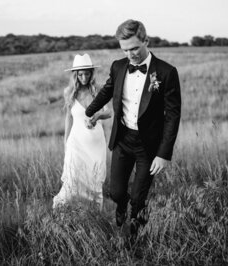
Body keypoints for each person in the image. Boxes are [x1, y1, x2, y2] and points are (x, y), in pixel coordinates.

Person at [85, 19, 181, 237]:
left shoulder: (166, 72)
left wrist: (164, 154)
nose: (131, 54)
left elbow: (173, 116)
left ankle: (135, 237)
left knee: (139, 198)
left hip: (149, 146)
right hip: (123, 139)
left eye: (135, 48)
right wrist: (89, 111)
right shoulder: (118, 67)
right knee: (116, 192)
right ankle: (122, 206)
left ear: (146, 40)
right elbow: (107, 91)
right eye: (126, 50)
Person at [53, 54, 112, 209]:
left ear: (91, 73)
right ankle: (64, 211)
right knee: (73, 179)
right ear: (75, 75)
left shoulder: (98, 90)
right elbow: (68, 117)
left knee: (94, 180)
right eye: (80, 74)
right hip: (76, 143)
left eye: (87, 73)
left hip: (96, 143)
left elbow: (109, 113)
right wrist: (66, 142)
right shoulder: (69, 92)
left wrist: (98, 115)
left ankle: (95, 217)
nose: (84, 77)